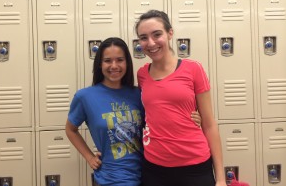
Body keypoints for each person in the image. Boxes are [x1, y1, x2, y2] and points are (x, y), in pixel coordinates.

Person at [65, 37, 202, 186]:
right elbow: (70, 130)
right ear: (99, 64)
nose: (114, 65)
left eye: (119, 60)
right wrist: (89, 157)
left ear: (127, 63)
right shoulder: (85, 97)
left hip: (149, 173)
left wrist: (192, 118)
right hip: (112, 178)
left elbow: (160, 119)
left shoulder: (139, 94)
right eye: (107, 60)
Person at [135, 10, 227, 186]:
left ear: (170, 33)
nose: (151, 43)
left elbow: (209, 124)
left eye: (157, 34)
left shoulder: (193, 69)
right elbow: (151, 113)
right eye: (143, 37)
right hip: (154, 167)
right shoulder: (142, 74)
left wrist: (221, 178)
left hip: (194, 166)